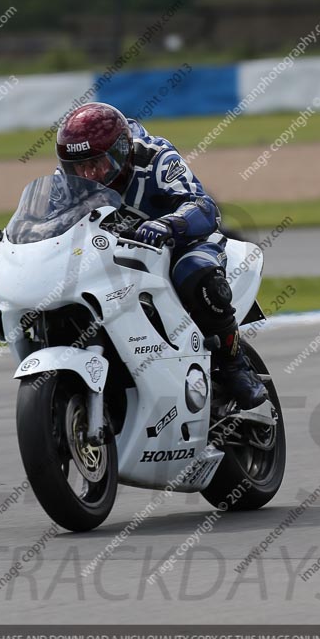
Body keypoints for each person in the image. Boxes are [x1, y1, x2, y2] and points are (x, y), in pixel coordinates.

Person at [55, 101, 267, 409]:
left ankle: (236, 367)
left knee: (197, 274)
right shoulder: (69, 181)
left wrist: (169, 223)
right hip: (113, 255)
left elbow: (204, 207)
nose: (89, 174)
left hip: (177, 244)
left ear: (121, 151)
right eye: (79, 166)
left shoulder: (156, 158)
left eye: (97, 163)